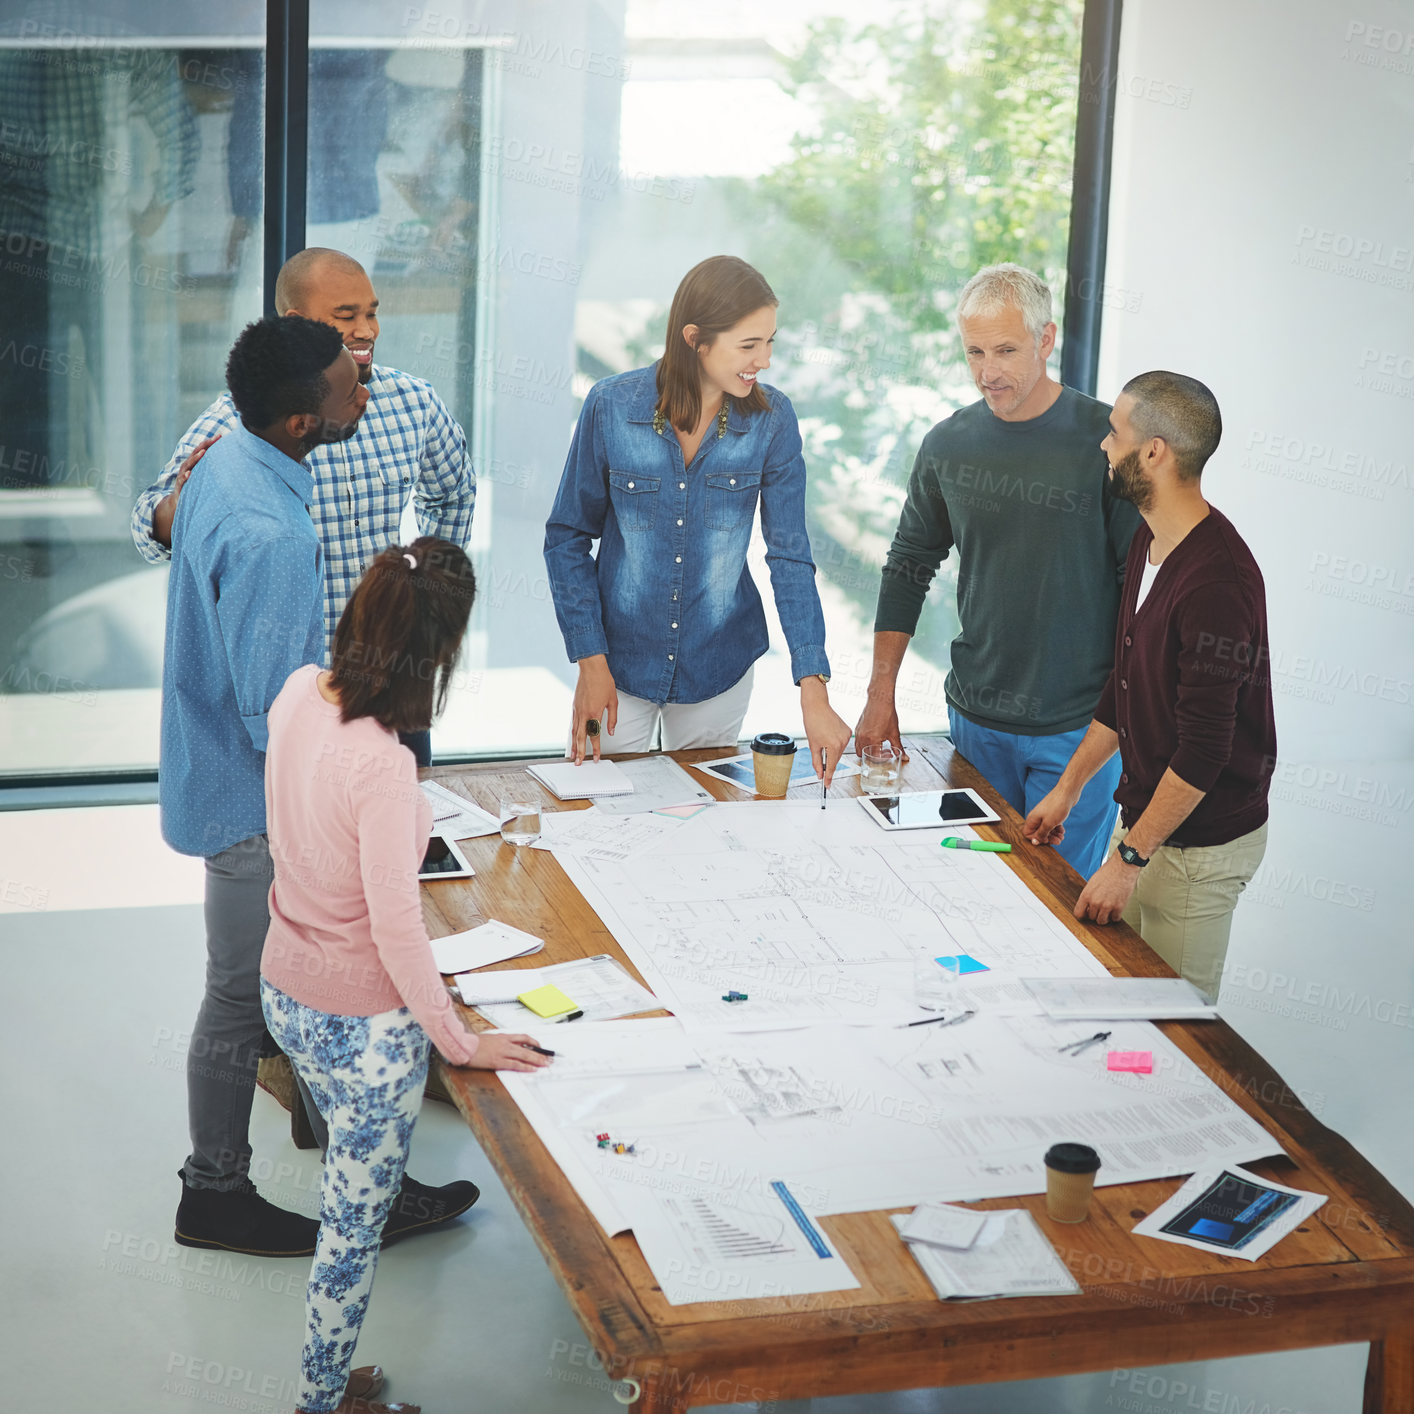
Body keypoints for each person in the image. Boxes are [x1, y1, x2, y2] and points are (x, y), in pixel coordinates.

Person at [164, 316, 469, 1260]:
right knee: (253, 994)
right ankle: (218, 1191)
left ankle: (360, 1174)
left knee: (247, 992)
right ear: (302, 423)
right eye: (349, 390)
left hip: (213, 768)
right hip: (251, 799)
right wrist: (367, 797)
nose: (366, 394)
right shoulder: (276, 540)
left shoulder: (227, 459)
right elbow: (279, 713)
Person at [260, 537, 551, 1414]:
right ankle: (321, 1405)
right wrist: (458, 1044)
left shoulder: (296, 694)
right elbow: (394, 929)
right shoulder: (385, 769)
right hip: (366, 1035)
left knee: (345, 1205)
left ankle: (324, 1381)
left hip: (285, 990)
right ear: (438, 655)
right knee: (350, 1235)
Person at [131, 246, 476, 767]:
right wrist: (181, 508)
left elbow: (453, 492)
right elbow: (146, 525)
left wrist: (427, 599)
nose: (367, 329)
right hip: (297, 699)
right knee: (311, 841)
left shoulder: (414, 402)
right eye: (347, 316)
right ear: (297, 322)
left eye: (372, 311)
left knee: (407, 835)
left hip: (393, 677)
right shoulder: (242, 420)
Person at [854, 264, 1140, 878]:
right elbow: (906, 568)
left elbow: (1139, 596)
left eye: (1006, 350)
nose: (988, 372)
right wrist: (881, 696)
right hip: (976, 722)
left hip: (1078, 731)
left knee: (1059, 907)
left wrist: (1121, 724)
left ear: (1046, 339)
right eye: (974, 352)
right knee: (977, 895)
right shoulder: (948, 446)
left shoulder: (1106, 442)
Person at [544, 255, 851, 778]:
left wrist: (813, 688)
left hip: (719, 665)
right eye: (749, 345)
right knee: (605, 812)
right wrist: (590, 661)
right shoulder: (611, 407)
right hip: (616, 667)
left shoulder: (772, 422)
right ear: (695, 339)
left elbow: (790, 556)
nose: (765, 360)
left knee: (704, 818)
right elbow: (567, 538)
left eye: (770, 341)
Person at [1024, 372, 1276, 1001]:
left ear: (1154, 452)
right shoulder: (1150, 540)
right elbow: (1128, 687)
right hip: (1144, 829)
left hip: (1198, 850)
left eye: (1116, 434)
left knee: (1176, 1037)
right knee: (1123, 1009)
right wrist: (1070, 788)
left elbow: (1204, 751)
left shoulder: (1218, 584)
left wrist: (1126, 862)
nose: (1104, 446)